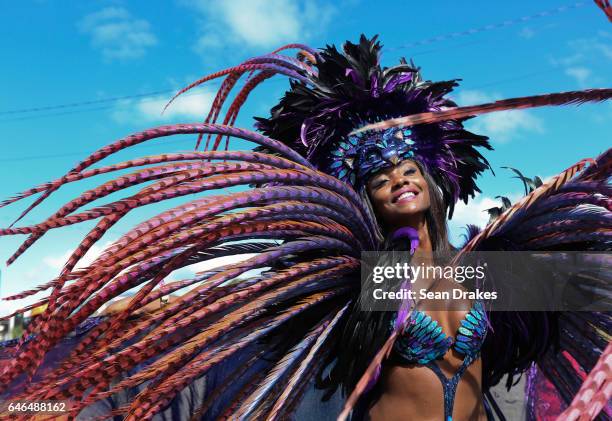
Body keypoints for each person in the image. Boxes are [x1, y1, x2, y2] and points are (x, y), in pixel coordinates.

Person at [0, 35, 610, 421]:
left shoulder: (482, 274)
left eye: (407, 165)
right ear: (359, 195)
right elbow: (202, 350)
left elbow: (591, 284)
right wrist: (42, 402)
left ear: (433, 170)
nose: (399, 179)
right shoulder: (367, 279)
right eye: (379, 177)